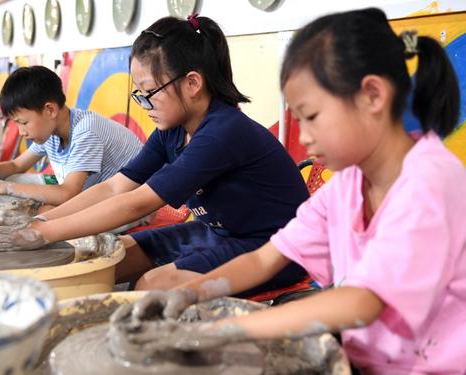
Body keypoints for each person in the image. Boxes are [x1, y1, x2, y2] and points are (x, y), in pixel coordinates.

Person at [110, 8, 466, 374]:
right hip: (367, 358)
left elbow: (362, 303)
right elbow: (266, 258)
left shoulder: (429, 182)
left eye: (311, 117)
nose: (305, 139)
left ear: (372, 96)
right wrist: (195, 292)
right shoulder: (347, 187)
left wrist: (221, 330)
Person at [0, 15, 309, 293]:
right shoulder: (173, 131)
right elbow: (114, 187)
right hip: (217, 233)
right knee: (98, 262)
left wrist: (42, 234)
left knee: (152, 285)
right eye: (140, 94)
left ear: (193, 83)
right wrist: (43, 221)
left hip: (274, 248)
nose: (145, 104)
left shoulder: (223, 132)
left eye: (150, 92)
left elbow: (136, 203)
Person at [0, 65, 143, 209]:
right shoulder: (52, 130)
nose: (21, 132)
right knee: (15, 182)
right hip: (91, 194)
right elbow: (17, 165)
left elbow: (68, 194)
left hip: (127, 203)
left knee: (42, 211)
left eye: (23, 123)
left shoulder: (86, 131)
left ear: (50, 110)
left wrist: (0, 187)